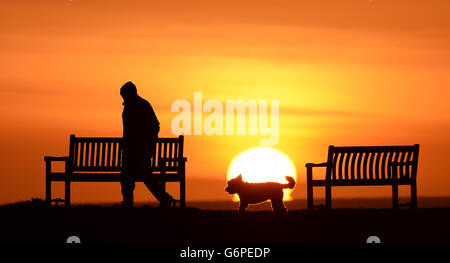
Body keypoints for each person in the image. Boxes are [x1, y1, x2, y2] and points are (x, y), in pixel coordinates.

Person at [120, 81, 174, 208]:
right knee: (139, 175)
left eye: (123, 95)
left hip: (140, 150)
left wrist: (144, 143)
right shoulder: (141, 105)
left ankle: (129, 201)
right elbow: (154, 126)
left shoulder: (137, 106)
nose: (123, 98)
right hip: (137, 150)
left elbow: (151, 127)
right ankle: (163, 198)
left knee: (136, 174)